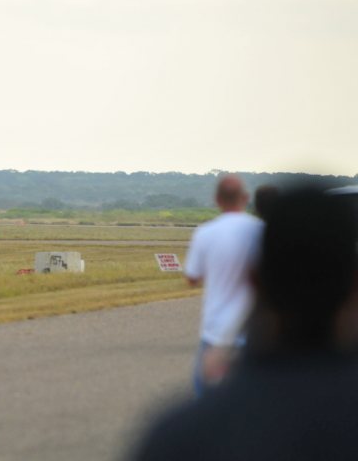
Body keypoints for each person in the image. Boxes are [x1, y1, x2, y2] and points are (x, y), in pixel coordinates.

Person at [131, 186, 358, 461]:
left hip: (218, 335)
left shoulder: (177, 437)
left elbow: (192, 276)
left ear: (253, 278)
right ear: (352, 282)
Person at [184, 175, 263, 395]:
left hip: (216, 330)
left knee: (205, 393)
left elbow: (192, 277)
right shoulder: (260, 230)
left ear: (217, 200)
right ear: (245, 198)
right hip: (254, 329)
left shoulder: (205, 233)